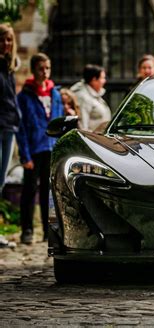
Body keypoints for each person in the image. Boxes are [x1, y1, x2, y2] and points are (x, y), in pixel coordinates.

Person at [16, 53, 63, 244]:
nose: (45, 72)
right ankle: (27, 229)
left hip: (51, 147)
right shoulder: (25, 96)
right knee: (29, 189)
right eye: (41, 68)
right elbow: (21, 127)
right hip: (34, 149)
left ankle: (48, 229)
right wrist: (25, 155)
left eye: (47, 68)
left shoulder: (55, 94)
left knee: (49, 191)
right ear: (33, 69)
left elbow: (59, 123)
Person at [0, 23, 21, 196]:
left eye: (9, 40)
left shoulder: (9, 68)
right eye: (2, 40)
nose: (6, 43)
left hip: (9, 126)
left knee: (2, 178)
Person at [70, 64, 111, 131]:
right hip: (91, 139)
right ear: (94, 79)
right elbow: (83, 127)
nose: (104, 81)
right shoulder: (83, 97)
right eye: (102, 78)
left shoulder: (94, 95)